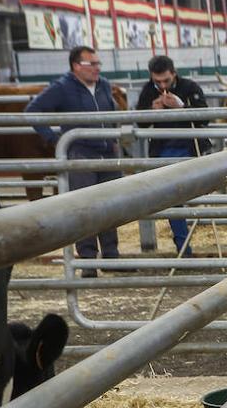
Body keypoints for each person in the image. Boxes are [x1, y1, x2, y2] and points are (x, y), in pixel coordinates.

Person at [25, 46, 128, 277]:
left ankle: (112, 256)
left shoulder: (104, 85)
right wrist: (55, 139)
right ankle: (88, 261)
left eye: (98, 64)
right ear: (75, 66)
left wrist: (114, 137)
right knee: (85, 207)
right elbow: (33, 111)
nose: (96, 68)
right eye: (91, 64)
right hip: (81, 153)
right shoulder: (61, 88)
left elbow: (112, 114)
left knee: (111, 204)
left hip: (108, 152)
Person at [136, 54, 209, 258]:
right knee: (173, 199)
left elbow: (206, 117)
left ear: (174, 74)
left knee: (190, 196)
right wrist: (151, 111)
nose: (161, 85)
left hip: (190, 149)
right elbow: (139, 122)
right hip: (163, 152)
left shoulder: (189, 87)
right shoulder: (148, 90)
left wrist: (182, 108)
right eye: (156, 81)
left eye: (165, 81)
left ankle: (186, 244)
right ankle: (183, 247)